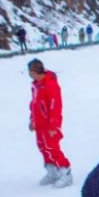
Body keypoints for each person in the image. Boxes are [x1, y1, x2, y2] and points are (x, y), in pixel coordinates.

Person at [28, 59, 72, 187]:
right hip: (40, 124)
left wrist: (54, 125)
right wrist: (32, 120)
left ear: (35, 72)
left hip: (50, 124)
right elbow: (34, 105)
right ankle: (52, 171)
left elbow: (55, 106)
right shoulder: (36, 85)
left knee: (53, 148)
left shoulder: (50, 85)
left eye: (31, 73)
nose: (31, 76)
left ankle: (66, 172)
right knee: (43, 147)